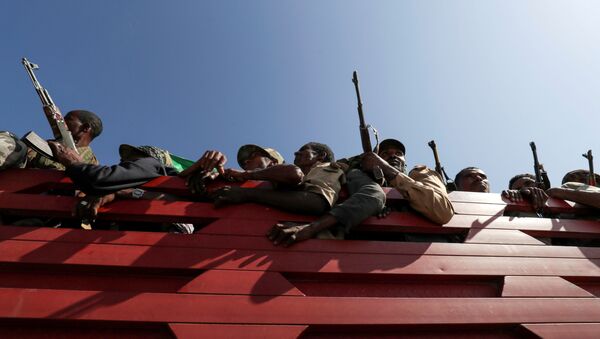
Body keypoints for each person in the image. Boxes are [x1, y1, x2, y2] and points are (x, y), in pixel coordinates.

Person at [267, 138, 455, 247]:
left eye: (398, 153)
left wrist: (389, 171)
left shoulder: (420, 174)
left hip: (425, 250)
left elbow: (442, 211)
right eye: (386, 153)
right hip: (365, 250)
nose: (393, 155)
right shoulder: (355, 176)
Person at [49, 142, 193, 233]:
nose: (122, 161)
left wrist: (74, 162)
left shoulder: (150, 163)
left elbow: (101, 179)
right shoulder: (133, 192)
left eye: (131, 157)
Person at [208, 142, 345, 216]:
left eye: (303, 150)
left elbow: (317, 202)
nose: (296, 153)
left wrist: (246, 193)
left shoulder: (326, 168)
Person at [27, 110, 103, 170]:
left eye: (68, 119)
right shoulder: (46, 145)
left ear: (85, 128)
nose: (61, 122)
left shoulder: (92, 164)